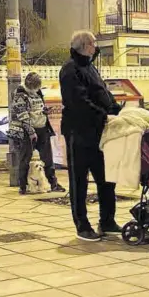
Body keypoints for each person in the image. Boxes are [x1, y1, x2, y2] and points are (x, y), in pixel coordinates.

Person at [59, 30, 122, 242]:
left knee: (106, 179)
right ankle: (82, 225)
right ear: (85, 45)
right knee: (79, 181)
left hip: (99, 133)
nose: (96, 47)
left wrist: (116, 110)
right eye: (94, 43)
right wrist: (103, 115)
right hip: (79, 132)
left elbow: (102, 92)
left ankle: (107, 220)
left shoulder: (90, 67)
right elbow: (79, 101)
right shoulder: (70, 70)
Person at [9, 72, 66, 195]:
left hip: (42, 128)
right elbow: (22, 115)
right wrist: (30, 132)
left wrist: (44, 111)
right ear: (29, 84)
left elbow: (39, 108)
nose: (36, 88)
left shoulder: (38, 92)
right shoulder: (20, 94)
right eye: (35, 86)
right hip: (27, 132)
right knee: (25, 159)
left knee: (47, 159)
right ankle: (23, 186)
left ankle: (53, 183)